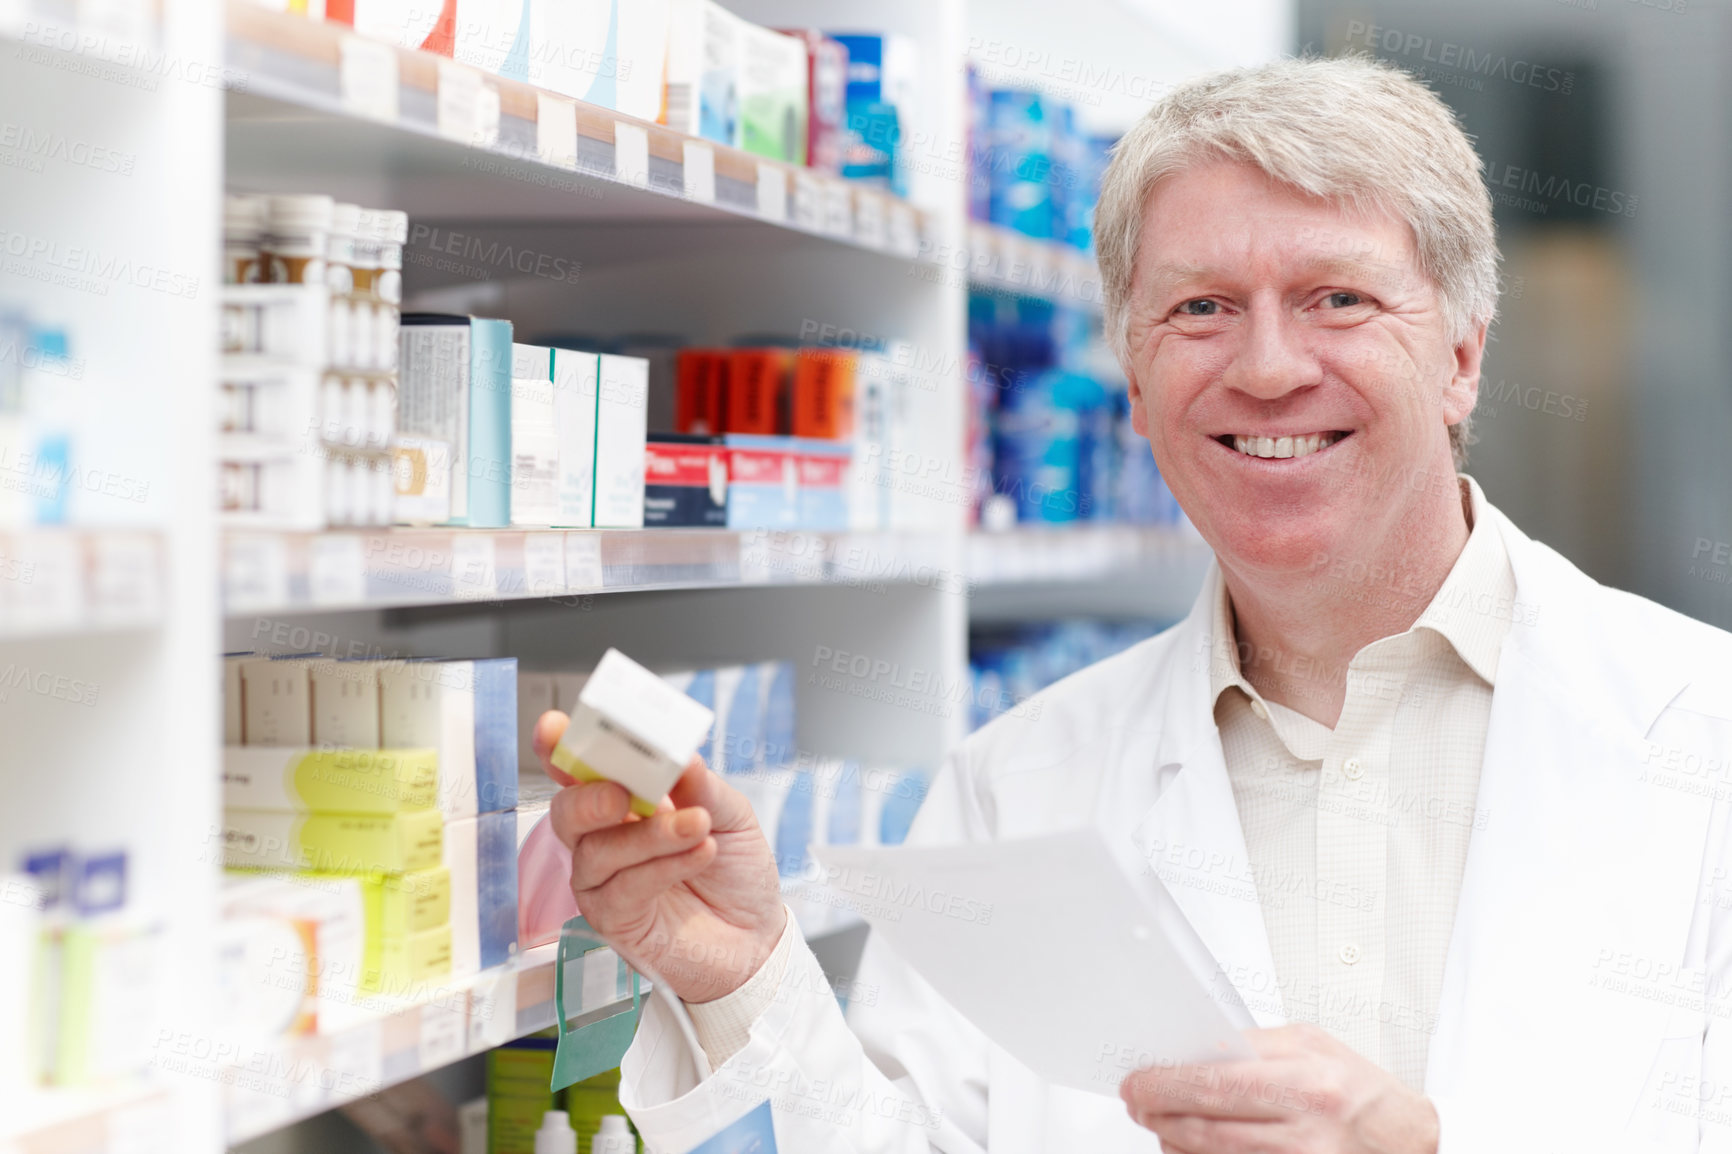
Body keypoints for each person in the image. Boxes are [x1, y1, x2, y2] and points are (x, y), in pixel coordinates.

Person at [525, 55, 1732, 1152]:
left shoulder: (1702, 733)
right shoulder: (1015, 785)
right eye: (1199, 307)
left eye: (1338, 299)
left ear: (1462, 353)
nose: (1265, 368)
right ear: (1139, 386)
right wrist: (743, 977)